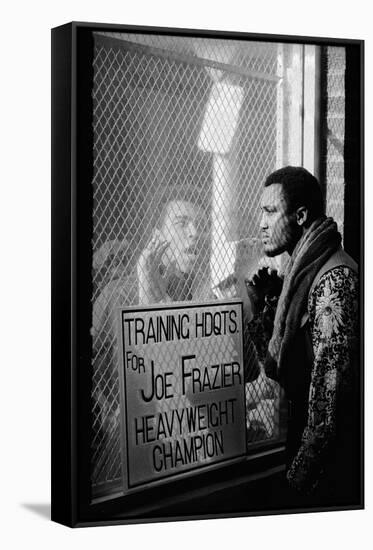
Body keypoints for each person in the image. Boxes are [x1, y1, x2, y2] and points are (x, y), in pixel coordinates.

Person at [245, 166, 359, 505]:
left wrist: (294, 487)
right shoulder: (301, 272)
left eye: (270, 211)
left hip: (330, 474)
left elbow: (330, 405)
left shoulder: (334, 281)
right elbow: (290, 365)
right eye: (260, 211)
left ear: (300, 216)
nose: (261, 223)